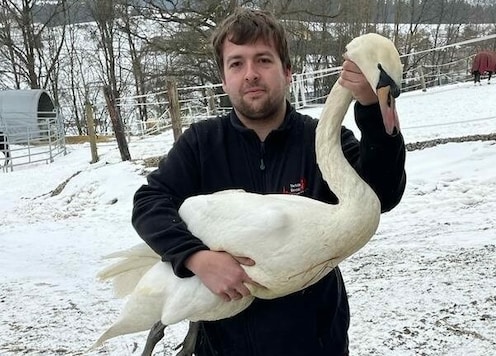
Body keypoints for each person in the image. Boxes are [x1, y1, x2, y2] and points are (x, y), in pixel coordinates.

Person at [131, 7, 406, 356]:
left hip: (314, 343)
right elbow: (149, 203)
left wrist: (368, 107)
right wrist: (195, 257)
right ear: (224, 77)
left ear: (287, 71)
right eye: (237, 63)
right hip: (223, 345)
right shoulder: (202, 144)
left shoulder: (320, 140)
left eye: (263, 60)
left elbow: (382, 195)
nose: (250, 75)